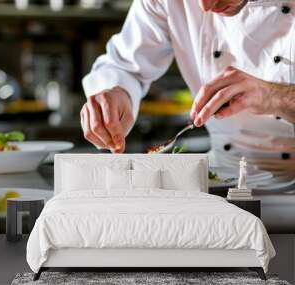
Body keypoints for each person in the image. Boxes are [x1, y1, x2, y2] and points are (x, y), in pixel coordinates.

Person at [80, 0, 295, 182]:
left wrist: (278, 96)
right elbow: (124, 67)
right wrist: (117, 94)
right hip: (223, 177)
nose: (205, 5)